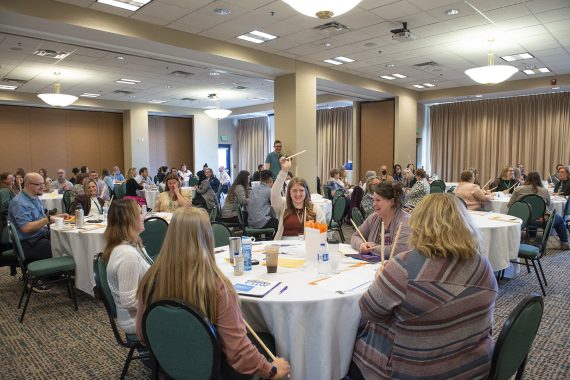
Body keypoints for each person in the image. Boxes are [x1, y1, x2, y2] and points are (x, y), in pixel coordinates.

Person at [349, 193, 497, 380]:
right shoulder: (483, 266)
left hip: (413, 370)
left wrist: (382, 280)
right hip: (472, 368)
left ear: (419, 225)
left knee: (349, 342)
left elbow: (369, 311)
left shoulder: (404, 267)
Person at [135, 208, 291, 379]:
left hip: (167, 368)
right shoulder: (217, 287)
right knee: (267, 340)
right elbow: (239, 353)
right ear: (207, 238)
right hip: (214, 372)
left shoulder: (149, 279)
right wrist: (271, 369)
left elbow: (143, 335)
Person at [103, 199, 151, 334]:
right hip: (136, 320)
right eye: (140, 214)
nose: (143, 217)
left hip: (142, 311)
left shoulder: (131, 244)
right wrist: (161, 303)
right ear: (128, 220)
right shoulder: (127, 255)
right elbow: (129, 300)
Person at [8, 173, 68, 264]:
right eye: (39, 184)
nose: (42, 187)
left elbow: (42, 215)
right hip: (27, 242)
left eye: (43, 184)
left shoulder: (34, 197)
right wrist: (48, 219)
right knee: (58, 247)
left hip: (39, 236)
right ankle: (55, 275)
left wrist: (56, 217)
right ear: (28, 184)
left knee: (65, 239)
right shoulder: (19, 202)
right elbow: (26, 228)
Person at [508, 171, 569, 250]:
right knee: (560, 220)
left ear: (527, 179)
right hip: (540, 220)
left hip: (522, 219)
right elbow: (548, 204)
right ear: (539, 180)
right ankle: (564, 242)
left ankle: (531, 238)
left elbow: (510, 205)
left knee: (530, 214)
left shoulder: (518, 189)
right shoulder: (544, 191)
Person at [271, 157, 326, 240]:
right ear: (289, 192)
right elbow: (274, 193)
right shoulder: (283, 205)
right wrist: (284, 171)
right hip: (284, 247)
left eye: (301, 190)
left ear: (306, 192)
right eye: (294, 190)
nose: (298, 194)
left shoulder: (315, 208)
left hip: (307, 246)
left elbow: (323, 232)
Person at [351, 182, 410, 258]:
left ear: (391, 202)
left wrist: (372, 248)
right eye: (373, 200)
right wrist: (361, 245)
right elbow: (355, 236)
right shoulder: (373, 218)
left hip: (394, 268)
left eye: (378, 200)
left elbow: (397, 251)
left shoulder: (405, 221)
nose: (374, 204)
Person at [0, 172, 17, 236]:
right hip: (6, 218)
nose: (13, 179)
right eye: (10, 178)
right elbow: (6, 204)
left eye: (13, 177)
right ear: (4, 180)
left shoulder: (9, 189)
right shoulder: (5, 190)